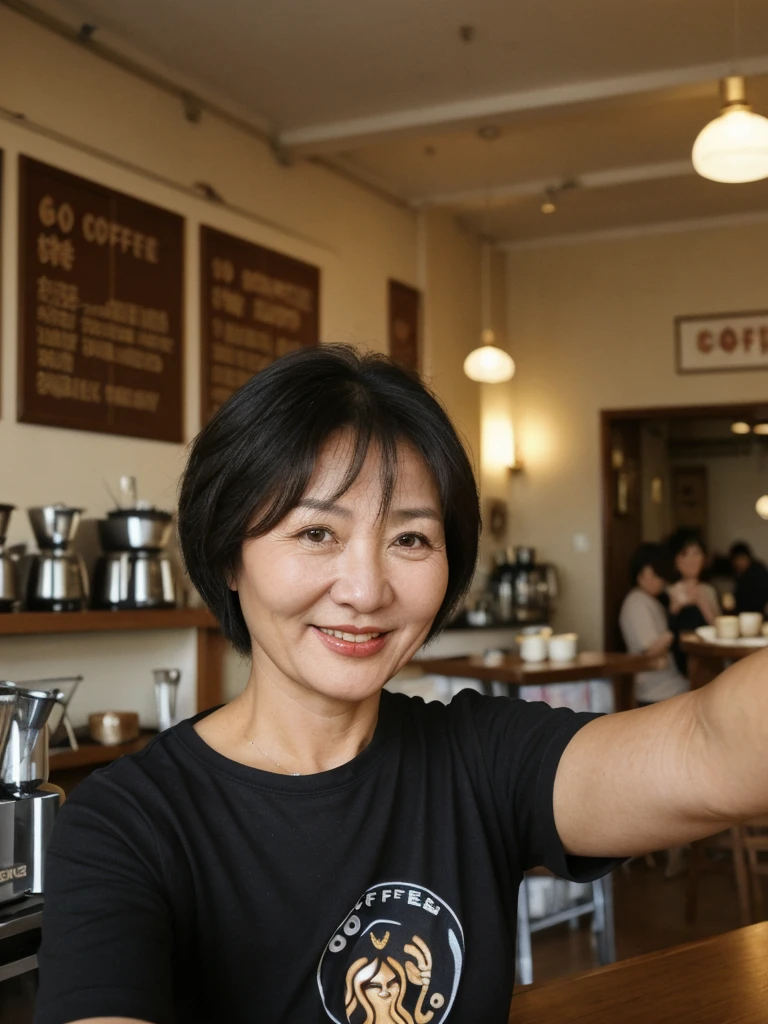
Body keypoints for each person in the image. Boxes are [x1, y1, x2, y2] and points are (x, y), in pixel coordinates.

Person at [34, 346, 768, 1024]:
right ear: (230, 555)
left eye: (411, 538)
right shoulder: (126, 825)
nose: (365, 589)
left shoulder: (481, 762)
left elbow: (714, 746)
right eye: (317, 532)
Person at [619, 543, 688, 706]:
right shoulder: (637, 602)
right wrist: (673, 631)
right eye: (646, 574)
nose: (653, 580)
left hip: (666, 684)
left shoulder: (649, 600)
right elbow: (651, 650)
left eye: (656, 575)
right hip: (658, 689)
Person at [665, 528, 720, 674]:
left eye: (696, 553)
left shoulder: (708, 590)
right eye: (684, 554)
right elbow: (664, 633)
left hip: (710, 660)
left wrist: (702, 603)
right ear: (675, 559)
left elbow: (720, 630)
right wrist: (676, 607)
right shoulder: (668, 591)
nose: (691, 560)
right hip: (678, 666)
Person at [729, 541, 768, 615]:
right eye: (736, 559)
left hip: (757, 614)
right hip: (744, 615)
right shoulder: (738, 574)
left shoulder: (757, 570)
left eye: (742, 558)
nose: (739, 562)